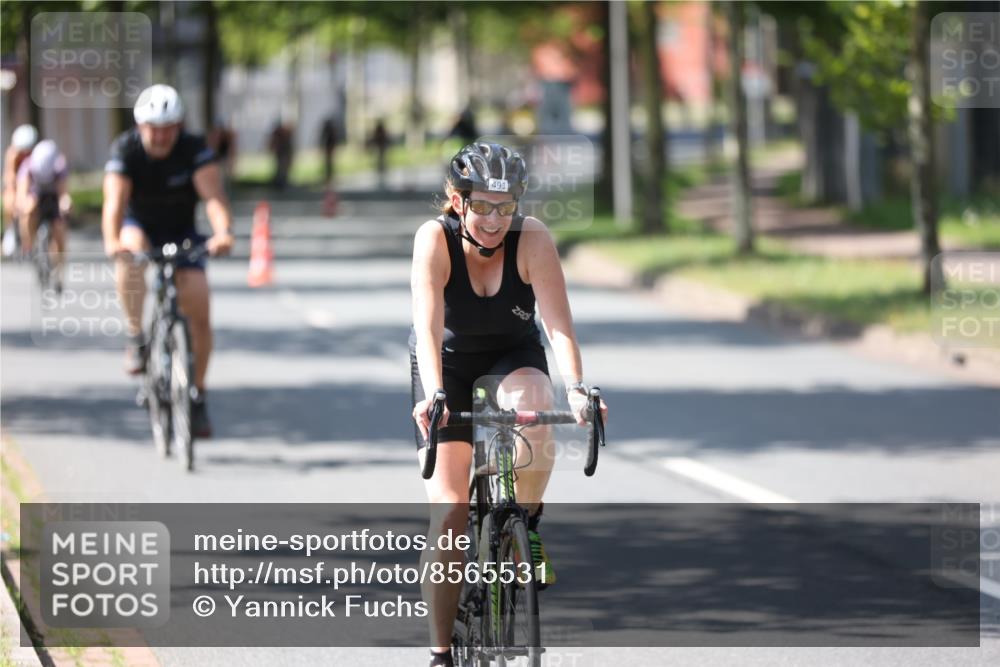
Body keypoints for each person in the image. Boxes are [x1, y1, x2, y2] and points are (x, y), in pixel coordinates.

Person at [409, 142, 608, 667]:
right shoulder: (434, 239)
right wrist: (432, 394)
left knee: (537, 408)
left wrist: (577, 388)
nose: (496, 219)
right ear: (458, 201)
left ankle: (528, 521)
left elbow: (558, 323)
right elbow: (427, 325)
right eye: (484, 206)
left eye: (507, 206)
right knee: (450, 510)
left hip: (512, 353)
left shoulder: (532, 238)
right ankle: (440, 652)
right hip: (445, 364)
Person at [102, 84, 234, 438]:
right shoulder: (125, 149)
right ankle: (136, 336)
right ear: (139, 126)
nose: (160, 136)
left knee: (200, 309)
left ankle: (198, 395)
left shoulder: (193, 148)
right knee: (130, 252)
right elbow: (113, 204)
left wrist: (223, 232)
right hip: (139, 226)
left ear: (178, 126)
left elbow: (213, 197)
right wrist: (112, 241)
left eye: (168, 127)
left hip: (183, 232)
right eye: (152, 128)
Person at [16, 139, 71, 289]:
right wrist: (25, 204)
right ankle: (28, 246)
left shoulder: (59, 167)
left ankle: (59, 273)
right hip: (35, 196)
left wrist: (65, 203)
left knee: (59, 231)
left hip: (52, 198)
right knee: (27, 213)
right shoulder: (27, 167)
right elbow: (21, 194)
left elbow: (63, 194)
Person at [2, 124, 38, 256]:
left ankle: (30, 241)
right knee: (9, 201)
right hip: (18, 185)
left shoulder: (37, 153)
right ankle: (10, 229)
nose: (25, 154)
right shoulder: (12, 155)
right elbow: (10, 176)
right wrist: (15, 195)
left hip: (33, 185)